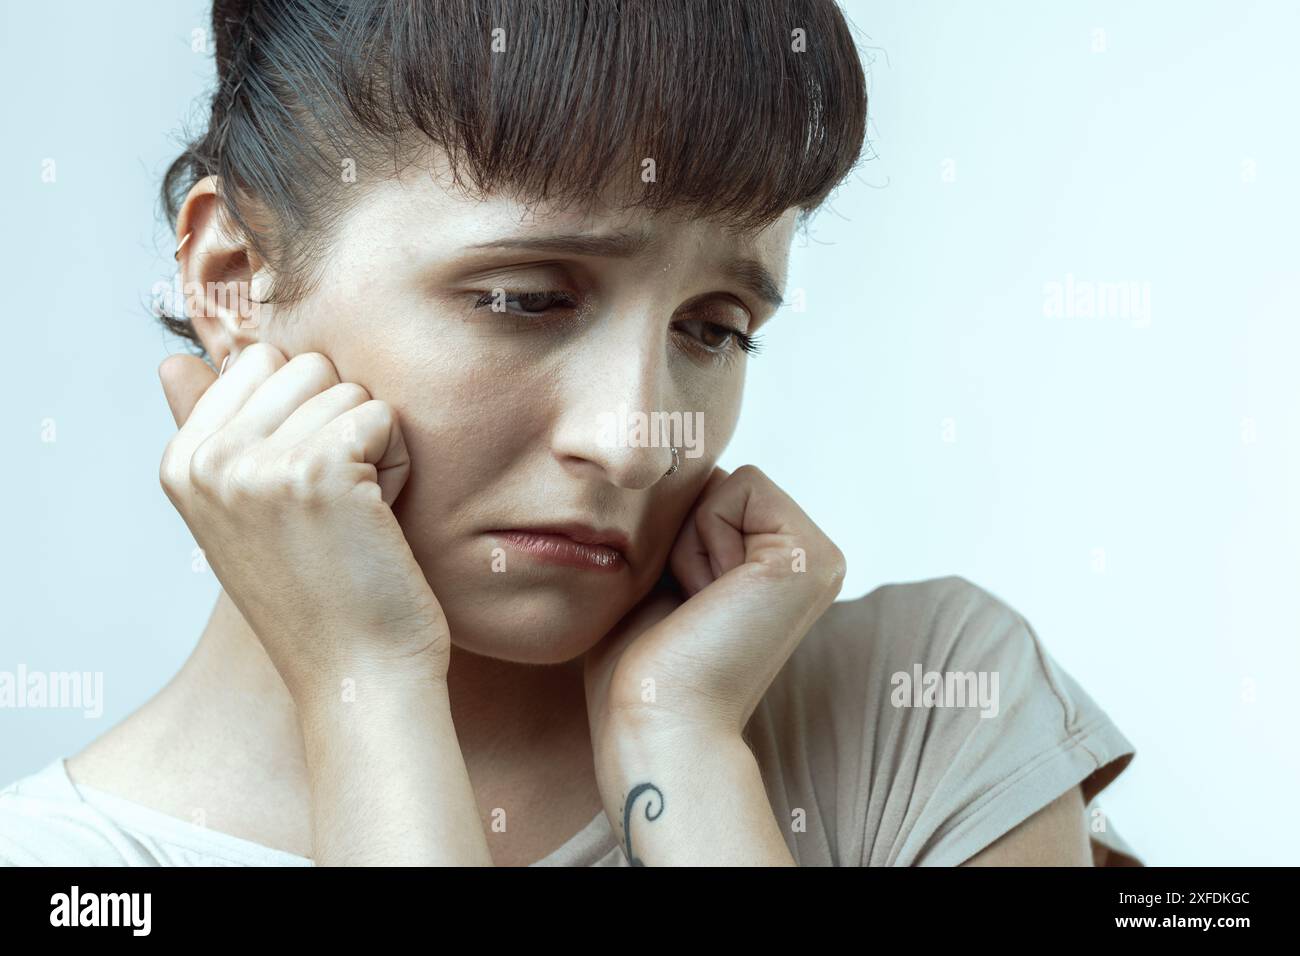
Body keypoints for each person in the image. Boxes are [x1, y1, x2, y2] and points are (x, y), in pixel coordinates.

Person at [0, 0, 1140, 866]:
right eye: (524, 297)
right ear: (234, 279)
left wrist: (684, 751)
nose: (635, 440)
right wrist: (371, 686)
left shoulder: (917, 709)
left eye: (714, 325)